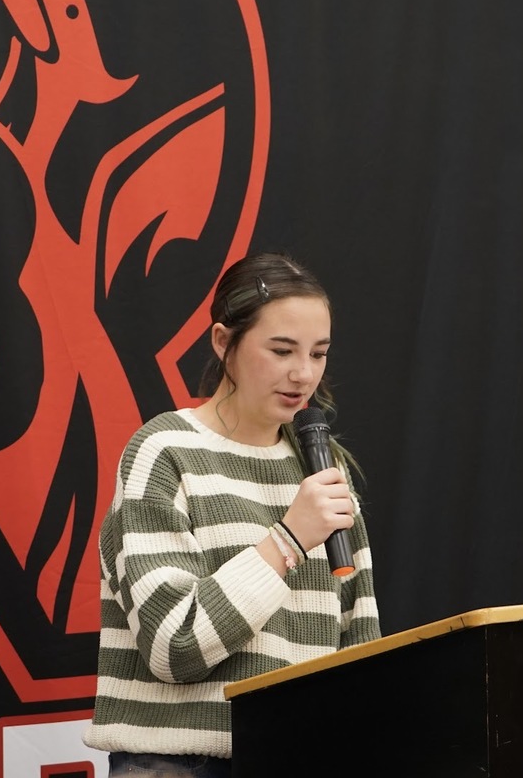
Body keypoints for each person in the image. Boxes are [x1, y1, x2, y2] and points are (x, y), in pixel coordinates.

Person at [83, 250, 381, 777]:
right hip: (177, 763)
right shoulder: (165, 450)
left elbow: (360, 645)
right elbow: (173, 647)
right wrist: (287, 540)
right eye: (281, 350)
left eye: (319, 353)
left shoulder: (322, 463)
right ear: (224, 342)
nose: (302, 374)